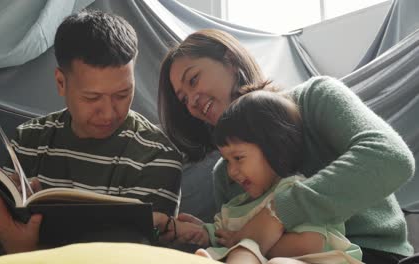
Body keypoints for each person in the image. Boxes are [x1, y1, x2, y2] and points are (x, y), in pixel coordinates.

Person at [157, 29, 415, 264]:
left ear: (231, 61)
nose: (191, 102)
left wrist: (277, 213)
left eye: (193, 80)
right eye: (183, 99)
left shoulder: (316, 98)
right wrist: (205, 233)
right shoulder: (225, 175)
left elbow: (392, 158)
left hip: (372, 254)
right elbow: (245, 243)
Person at [0, 10, 183, 255]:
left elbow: (137, 257)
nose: (109, 113)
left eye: (123, 94)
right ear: (61, 83)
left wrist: (28, 250)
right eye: (92, 98)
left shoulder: (157, 155)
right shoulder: (27, 140)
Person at [159, 88, 363, 264]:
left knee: (272, 260)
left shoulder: (294, 191)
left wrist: (248, 245)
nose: (231, 171)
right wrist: (199, 233)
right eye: (227, 161)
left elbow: (309, 244)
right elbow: (222, 235)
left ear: (274, 147)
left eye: (238, 158)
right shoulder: (236, 206)